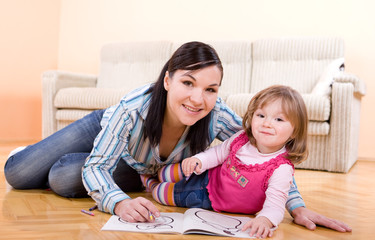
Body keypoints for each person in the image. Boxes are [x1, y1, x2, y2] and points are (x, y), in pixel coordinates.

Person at [4, 41, 351, 233]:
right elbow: (98, 166)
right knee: (18, 174)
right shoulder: (131, 109)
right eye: (188, 82)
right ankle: (34, 151)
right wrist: (119, 201)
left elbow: (265, 155)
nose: (198, 99)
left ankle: (60, 166)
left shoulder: (216, 114)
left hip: (138, 165)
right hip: (105, 128)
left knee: (63, 176)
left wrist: (297, 205)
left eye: (210, 89)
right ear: (168, 80)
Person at [140, 85, 308, 238]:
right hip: (209, 175)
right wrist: (199, 160)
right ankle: (157, 174)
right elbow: (218, 153)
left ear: (295, 131)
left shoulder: (281, 168)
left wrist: (265, 220)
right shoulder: (242, 139)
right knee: (168, 172)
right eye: (261, 115)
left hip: (206, 198)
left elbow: (276, 204)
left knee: (163, 194)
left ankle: (150, 184)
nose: (266, 123)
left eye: (279, 119)